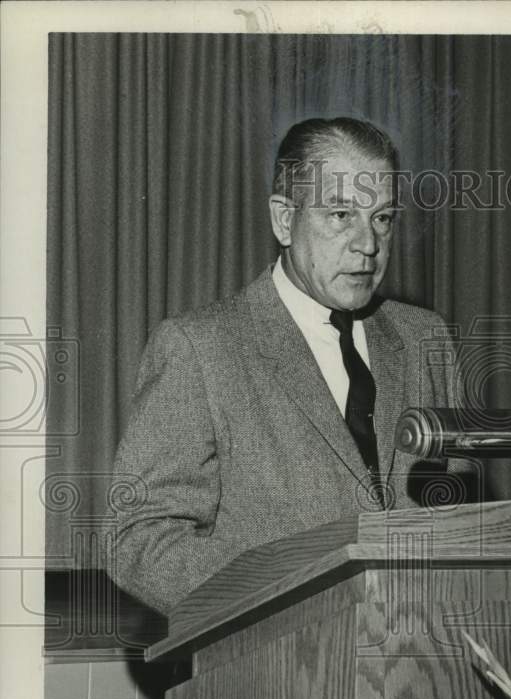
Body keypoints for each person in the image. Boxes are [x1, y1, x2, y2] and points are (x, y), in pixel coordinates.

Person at [109, 117, 467, 615]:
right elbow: (140, 540)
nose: (368, 244)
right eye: (341, 214)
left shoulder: (424, 336)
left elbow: (458, 513)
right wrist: (279, 598)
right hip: (269, 671)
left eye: (382, 218)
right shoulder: (200, 347)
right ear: (284, 219)